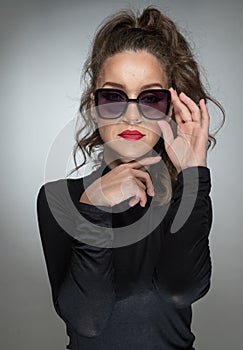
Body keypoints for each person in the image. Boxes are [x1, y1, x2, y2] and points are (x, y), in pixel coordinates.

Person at [36, 6, 224, 350]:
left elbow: (181, 289)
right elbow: (87, 320)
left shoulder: (185, 197)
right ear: (94, 102)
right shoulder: (59, 198)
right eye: (113, 97)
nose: (132, 115)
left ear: (170, 107)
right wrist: (92, 209)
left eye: (151, 98)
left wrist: (195, 175)